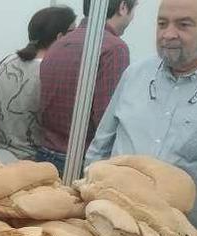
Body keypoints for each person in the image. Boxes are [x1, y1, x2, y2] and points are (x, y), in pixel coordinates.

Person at [86, 0, 197, 177]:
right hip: (113, 199)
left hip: (188, 205)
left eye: (183, 25)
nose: (167, 34)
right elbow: (100, 148)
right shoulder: (136, 74)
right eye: (162, 24)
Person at [38, 0, 137, 173]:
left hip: (45, 155)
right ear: (122, 7)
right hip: (79, 161)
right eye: (133, 8)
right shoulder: (114, 48)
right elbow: (106, 121)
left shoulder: (59, 43)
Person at [0, 6, 76, 160]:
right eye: (73, 32)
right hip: (32, 165)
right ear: (60, 37)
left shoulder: (7, 61)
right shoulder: (51, 72)